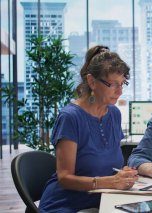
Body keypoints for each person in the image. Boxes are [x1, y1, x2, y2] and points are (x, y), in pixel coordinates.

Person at [39, 45, 138, 212]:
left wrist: (124, 174)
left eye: (123, 84)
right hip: (66, 204)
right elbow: (64, 178)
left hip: (102, 200)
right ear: (92, 81)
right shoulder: (70, 117)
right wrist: (109, 182)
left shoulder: (114, 114)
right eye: (113, 84)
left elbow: (109, 165)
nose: (120, 91)